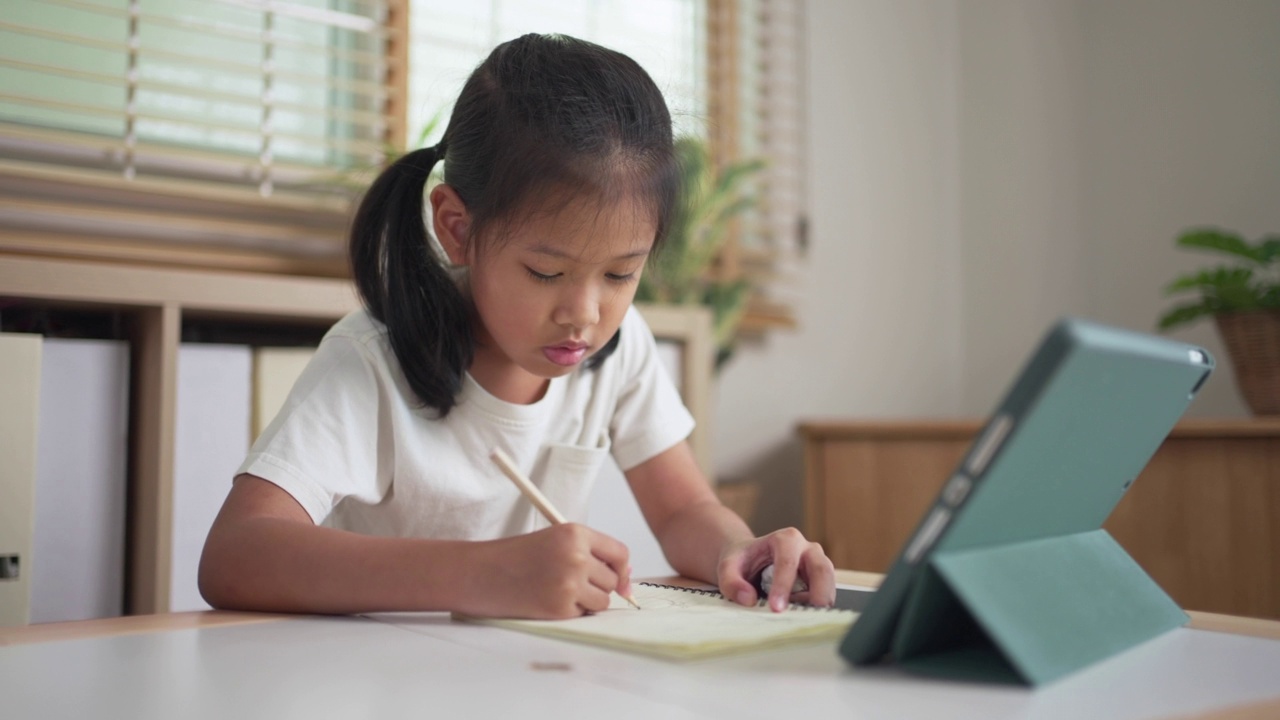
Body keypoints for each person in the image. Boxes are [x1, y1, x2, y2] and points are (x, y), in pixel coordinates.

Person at [198, 33, 834, 620]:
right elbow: (234, 555)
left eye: (619, 276)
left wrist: (741, 549)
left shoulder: (619, 350)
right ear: (458, 229)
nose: (584, 315)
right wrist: (481, 574)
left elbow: (683, 508)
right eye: (545, 272)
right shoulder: (372, 361)